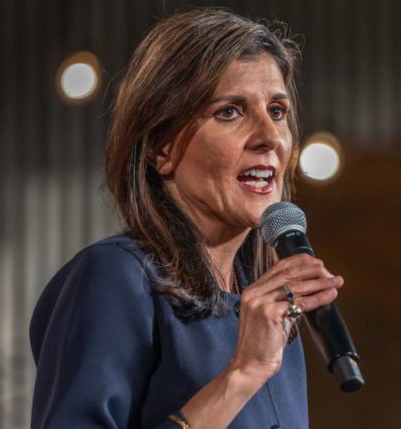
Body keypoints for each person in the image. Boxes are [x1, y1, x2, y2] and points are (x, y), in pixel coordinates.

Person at [29, 8, 344, 429]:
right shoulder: (116, 279)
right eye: (230, 111)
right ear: (162, 147)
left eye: (278, 111)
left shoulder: (271, 311)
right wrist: (240, 376)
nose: (269, 136)